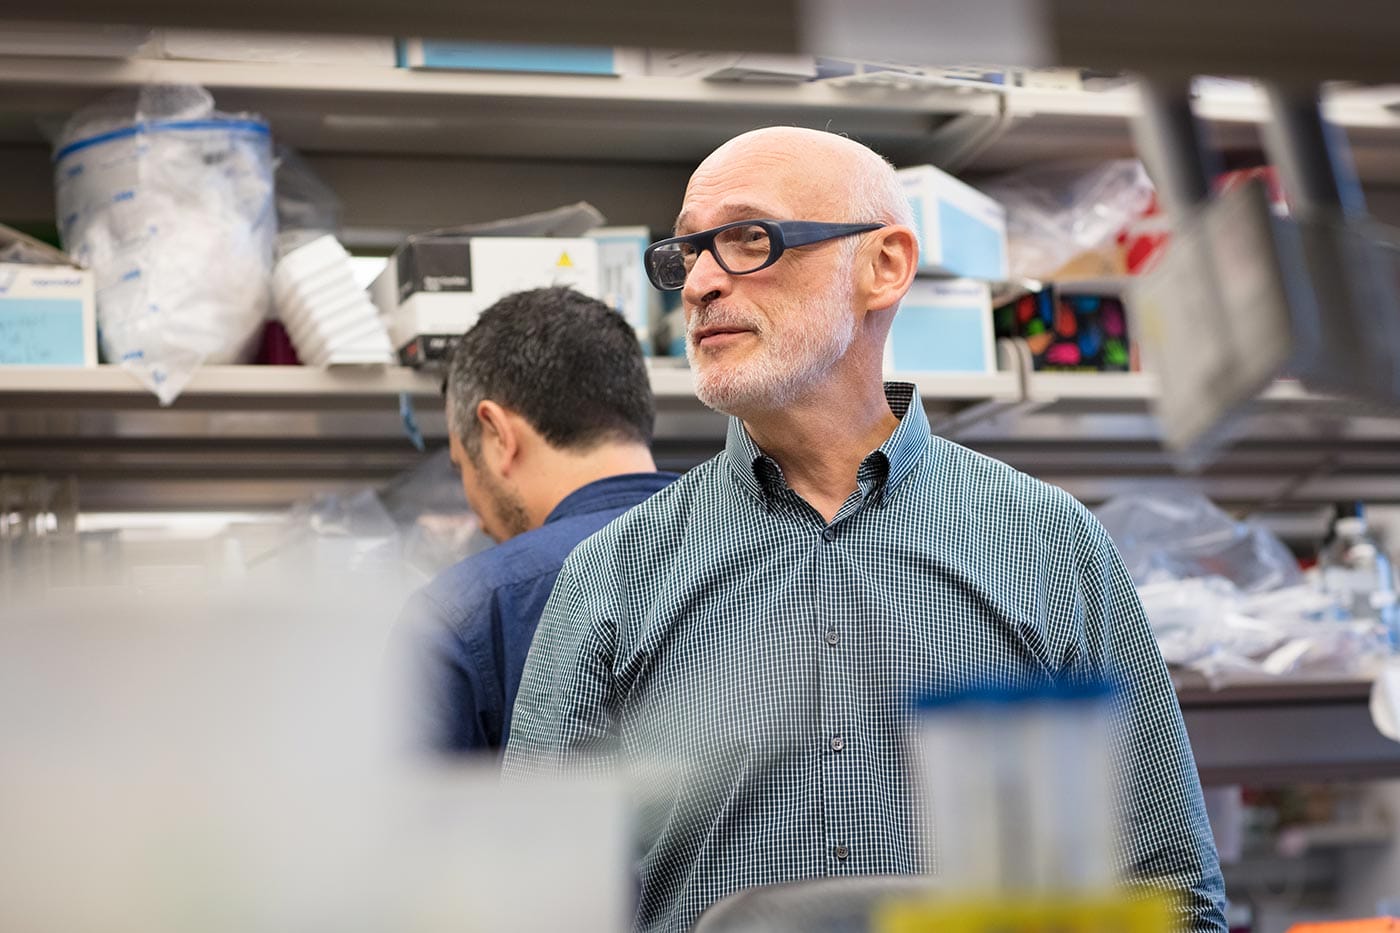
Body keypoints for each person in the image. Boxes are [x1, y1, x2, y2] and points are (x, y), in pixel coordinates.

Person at [503, 128, 1226, 933]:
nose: (700, 283)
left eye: (748, 238)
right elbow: (530, 896)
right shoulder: (614, 575)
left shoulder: (1046, 542)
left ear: (884, 266)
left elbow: (1175, 890)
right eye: (688, 252)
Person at [391, 286, 677, 753]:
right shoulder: (772, 554)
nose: (479, 522)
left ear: (497, 433)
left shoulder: (467, 612)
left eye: (464, 465)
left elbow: (412, 821)